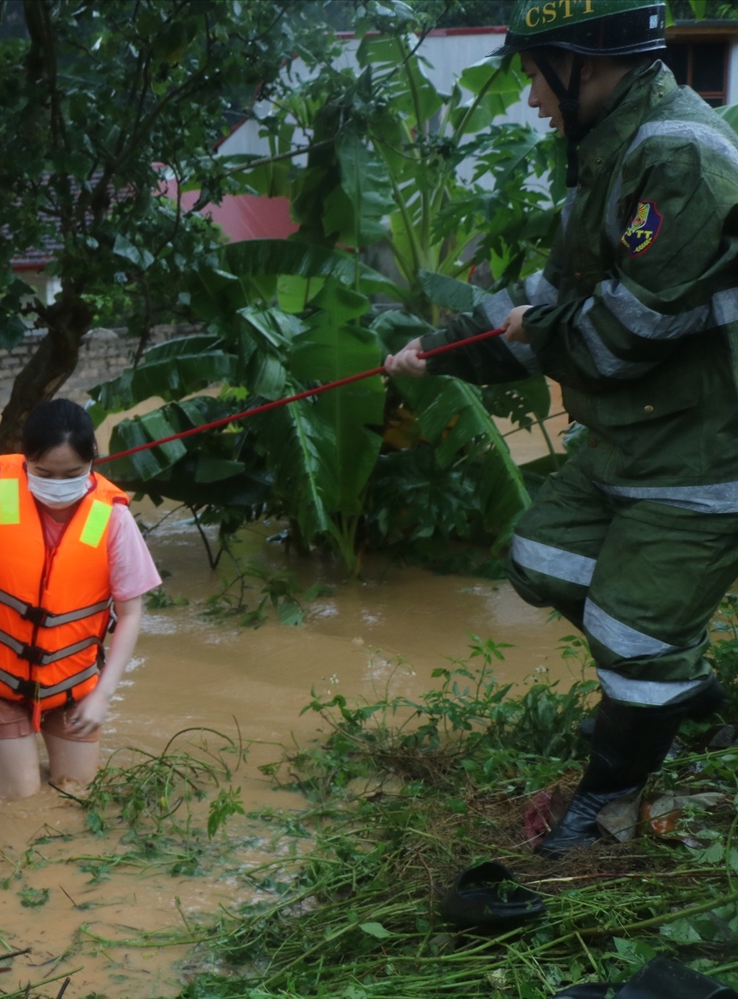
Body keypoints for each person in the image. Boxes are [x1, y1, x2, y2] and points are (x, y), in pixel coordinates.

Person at [384, 0, 738, 858]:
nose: (534, 99)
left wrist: (531, 331)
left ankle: (608, 805)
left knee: (630, 635)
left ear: (589, 62)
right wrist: (440, 352)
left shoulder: (678, 157)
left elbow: (625, 336)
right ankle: (681, 694)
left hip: (704, 448)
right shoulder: (607, 148)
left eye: (539, 75)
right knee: (542, 559)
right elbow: (549, 299)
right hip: (634, 436)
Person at [0, 399, 161, 800]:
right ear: (26, 459)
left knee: (76, 792)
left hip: (73, 682)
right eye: (44, 473)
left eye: (73, 474)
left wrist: (102, 696)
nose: (57, 484)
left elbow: (130, 613)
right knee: (22, 800)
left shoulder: (112, 517)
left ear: (92, 464)